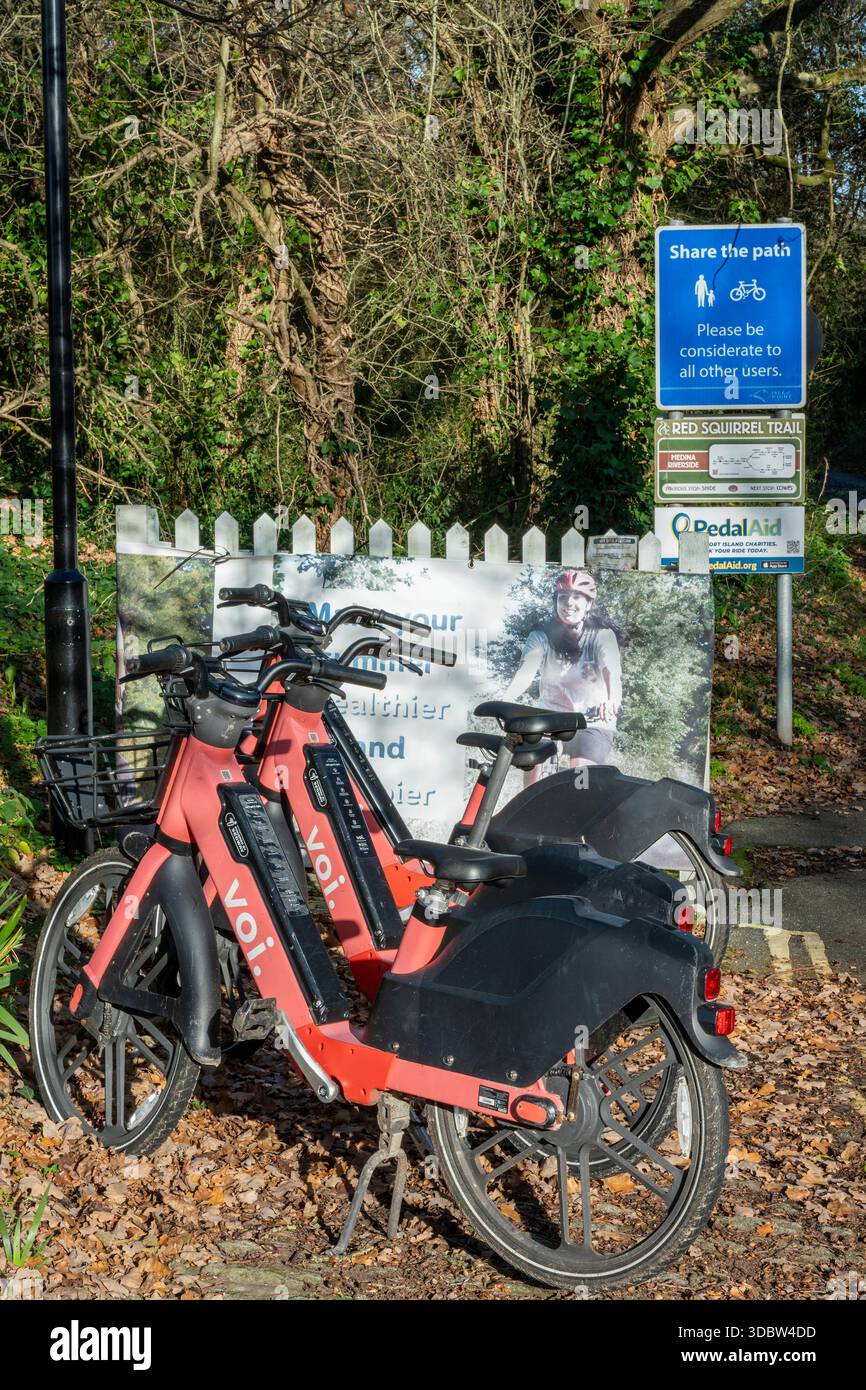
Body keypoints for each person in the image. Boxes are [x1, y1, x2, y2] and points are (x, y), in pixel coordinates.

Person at [502, 569, 624, 770]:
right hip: (550, 718)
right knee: (535, 777)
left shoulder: (602, 635)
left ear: (589, 604)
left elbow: (612, 671)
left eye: (576, 597)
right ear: (556, 601)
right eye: (563, 597)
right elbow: (525, 672)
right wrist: (505, 701)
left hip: (591, 721)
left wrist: (613, 700)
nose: (569, 603)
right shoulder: (541, 635)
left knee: (580, 779)